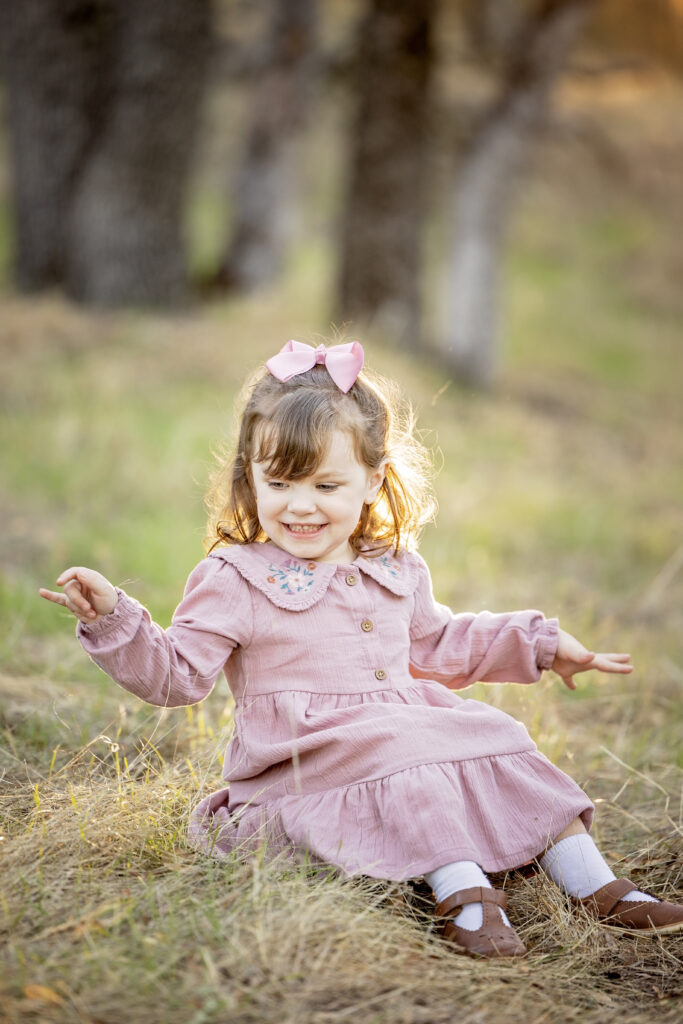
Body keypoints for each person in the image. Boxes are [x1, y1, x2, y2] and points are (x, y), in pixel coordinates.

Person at [40, 340, 683, 958]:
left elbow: (439, 642)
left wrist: (540, 643)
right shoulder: (235, 576)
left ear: (373, 480)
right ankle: (464, 895)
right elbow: (177, 676)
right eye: (280, 484)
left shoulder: (393, 566)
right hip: (302, 759)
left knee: (498, 732)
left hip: (394, 729)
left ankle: (595, 884)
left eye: (325, 486)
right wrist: (115, 620)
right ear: (250, 477)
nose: (299, 507)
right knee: (404, 750)